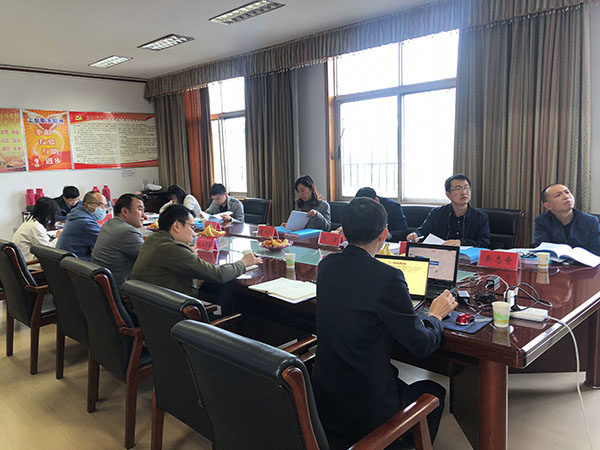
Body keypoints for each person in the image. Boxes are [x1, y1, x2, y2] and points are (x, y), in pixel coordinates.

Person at [311, 197, 456, 444]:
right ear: (384, 233)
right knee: (434, 392)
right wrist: (435, 315)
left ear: (343, 232)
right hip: (367, 405)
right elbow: (422, 345)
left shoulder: (326, 266)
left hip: (324, 396)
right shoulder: (388, 277)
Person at [131, 204, 262, 297]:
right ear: (177, 226)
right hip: (174, 318)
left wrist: (188, 257)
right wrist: (243, 262)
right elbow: (219, 275)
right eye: (192, 227)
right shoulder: (173, 249)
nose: (194, 234)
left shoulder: (153, 240)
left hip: (149, 312)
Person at [406, 174, 490, 247]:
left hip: (468, 258)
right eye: (458, 189)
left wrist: (461, 242)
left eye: (467, 188)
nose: (464, 192)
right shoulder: (437, 213)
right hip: (440, 255)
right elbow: (423, 231)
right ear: (448, 194)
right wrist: (415, 235)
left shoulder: (480, 217)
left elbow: (484, 243)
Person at [91, 194, 145, 289]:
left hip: (101, 288)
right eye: (140, 209)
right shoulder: (127, 231)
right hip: (121, 290)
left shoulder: (108, 224)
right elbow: (151, 259)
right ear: (125, 211)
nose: (144, 215)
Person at [533, 184, 600, 255]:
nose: (566, 196)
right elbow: (542, 248)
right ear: (548, 206)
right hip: (554, 261)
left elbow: (596, 250)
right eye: (558, 195)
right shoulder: (542, 221)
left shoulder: (590, 221)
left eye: (567, 192)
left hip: (584, 261)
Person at [56, 191, 107, 260]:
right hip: (78, 263)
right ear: (86, 205)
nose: (104, 209)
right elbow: (106, 245)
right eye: (100, 205)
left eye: (105, 206)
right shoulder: (86, 222)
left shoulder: (77, 214)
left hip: (67, 261)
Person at [12, 197, 60, 269]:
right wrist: (58, 238)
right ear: (48, 214)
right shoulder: (35, 227)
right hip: (31, 266)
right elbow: (48, 251)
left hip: (24, 262)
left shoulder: (30, 221)